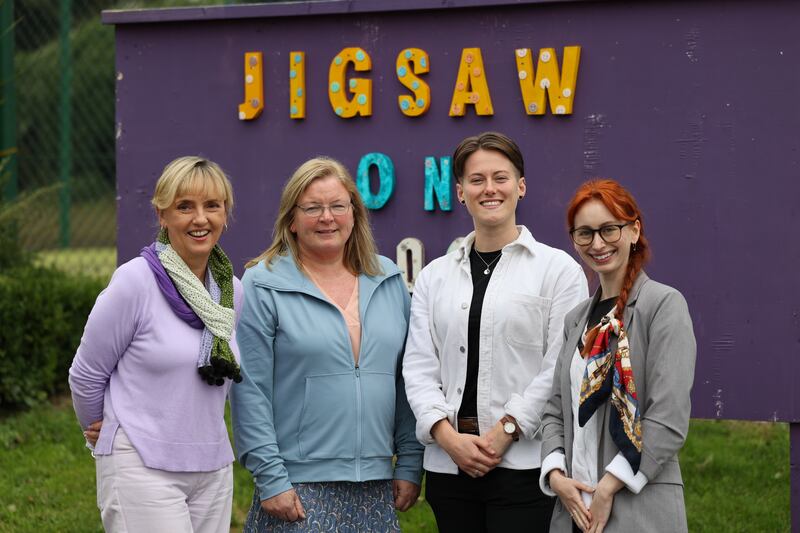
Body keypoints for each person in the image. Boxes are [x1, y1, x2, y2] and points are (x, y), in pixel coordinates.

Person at [402, 131, 589, 532]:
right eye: (476, 179)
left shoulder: (558, 272)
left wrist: (508, 429)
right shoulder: (434, 276)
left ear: (520, 187)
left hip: (525, 465)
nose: (490, 189)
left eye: (501, 178)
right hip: (450, 468)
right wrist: (447, 437)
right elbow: (418, 366)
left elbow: (560, 366)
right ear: (460, 192)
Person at [230, 157, 423, 533]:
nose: (327, 217)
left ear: (354, 213)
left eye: (337, 205)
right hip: (296, 487)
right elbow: (249, 389)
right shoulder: (262, 283)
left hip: (376, 485)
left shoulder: (388, 278)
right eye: (312, 208)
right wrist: (271, 478)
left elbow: (406, 378)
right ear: (292, 220)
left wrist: (410, 461)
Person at [69, 156, 244, 532]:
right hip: (141, 463)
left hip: (211, 465)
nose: (200, 219)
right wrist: (103, 429)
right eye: (185, 207)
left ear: (224, 214)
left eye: (212, 206)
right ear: (163, 216)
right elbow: (86, 373)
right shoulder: (135, 282)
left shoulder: (230, 294)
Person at [539, 179, 696, 533]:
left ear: (634, 230)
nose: (597, 244)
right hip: (573, 511)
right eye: (585, 233)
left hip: (638, 510)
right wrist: (555, 473)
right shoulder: (575, 319)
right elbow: (554, 409)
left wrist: (610, 486)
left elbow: (668, 418)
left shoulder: (663, 306)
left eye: (609, 229)